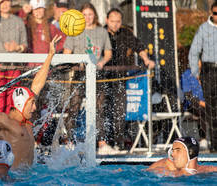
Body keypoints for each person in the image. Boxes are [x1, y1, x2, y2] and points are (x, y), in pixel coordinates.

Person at [0, 35, 62, 169]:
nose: (35, 108)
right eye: (32, 103)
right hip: (11, 179)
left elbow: (37, 84)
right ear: (20, 105)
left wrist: (50, 55)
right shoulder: (4, 121)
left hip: (28, 178)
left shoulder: (26, 122)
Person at [97, 8, 155, 154]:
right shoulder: (101, 33)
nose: (115, 24)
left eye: (118, 21)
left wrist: (146, 59)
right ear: (106, 21)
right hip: (102, 78)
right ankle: (102, 143)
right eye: (112, 21)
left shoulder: (125, 33)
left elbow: (139, 47)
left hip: (120, 79)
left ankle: (118, 143)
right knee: (102, 109)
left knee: (120, 110)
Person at [63, 2, 112, 146]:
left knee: (100, 108)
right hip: (79, 75)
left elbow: (108, 53)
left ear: (94, 16)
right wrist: (76, 62)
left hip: (97, 75)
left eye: (90, 14)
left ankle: (102, 142)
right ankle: (68, 140)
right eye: (85, 15)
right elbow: (66, 53)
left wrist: (102, 62)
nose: (88, 17)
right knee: (74, 107)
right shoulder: (74, 31)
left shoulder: (102, 31)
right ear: (80, 16)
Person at [0, 0, 28, 114]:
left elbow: (25, 44)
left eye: (7, 1)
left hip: (14, 66)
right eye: (1, 1)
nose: (4, 4)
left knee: (13, 99)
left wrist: (17, 48)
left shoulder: (18, 21)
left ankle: (11, 127)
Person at [189, 2, 217, 151]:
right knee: (211, 108)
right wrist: (195, 73)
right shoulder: (203, 29)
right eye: (215, 13)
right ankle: (214, 144)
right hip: (209, 70)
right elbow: (194, 51)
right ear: (211, 13)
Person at [147, 137, 217, 176]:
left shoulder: (209, 170)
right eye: (172, 151)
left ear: (190, 152)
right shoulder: (165, 169)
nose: (172, 154)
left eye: (177, 150)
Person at [26, 0, 65, 67]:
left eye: (41, 8)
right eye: (36, 9)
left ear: (44, 10)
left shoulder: (50, 26)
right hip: (30, 64)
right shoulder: (27, 25)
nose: (38, 11)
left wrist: (54, 49)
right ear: (32, 11)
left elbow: (63, 39)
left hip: (46, 63)